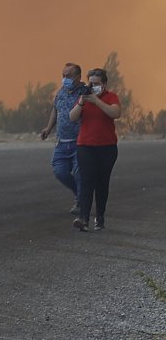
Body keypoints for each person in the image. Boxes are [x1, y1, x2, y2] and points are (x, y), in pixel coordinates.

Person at [70, 67, 121, 232]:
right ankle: (83, 218)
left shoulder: (111, 97)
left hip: (107, 148)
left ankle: (100, 218)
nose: (93, 87)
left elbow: (115, 113)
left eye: (97, 84)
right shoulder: (82, 97)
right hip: (85, 146)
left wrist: (97, 101)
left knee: (102, 183)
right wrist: (82, 101)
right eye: (91, 83)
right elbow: (72, 117)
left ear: (104, 84)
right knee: (86, 181)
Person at [38, 62, 84, 214]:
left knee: (79, 173)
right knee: (60, 172)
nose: (65, 79)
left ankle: (81, 202)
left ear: (78, 77)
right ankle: (82, 194)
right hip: (62, 143)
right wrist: (49, 128)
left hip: (80, 142)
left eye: (68, 76)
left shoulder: (84, 93)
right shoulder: (61, 92)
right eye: (63, 76)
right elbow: (55, 110)